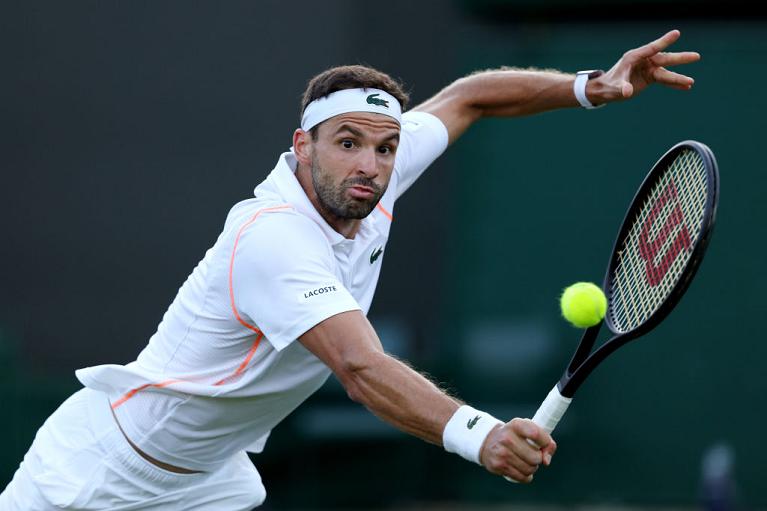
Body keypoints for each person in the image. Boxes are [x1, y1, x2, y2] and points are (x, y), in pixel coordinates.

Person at [1, 29, 699, 510]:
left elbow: (470, 97)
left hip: (205, 478)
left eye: (385, 147)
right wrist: (480, 434)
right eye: (347, 144)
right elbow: (361, 369)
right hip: (100, 474)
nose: (369, 165)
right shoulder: (272, 237)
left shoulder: (376, 176)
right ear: (301, 146)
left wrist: (591, 85)